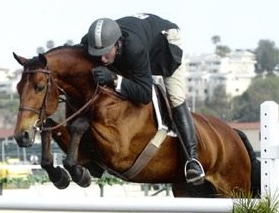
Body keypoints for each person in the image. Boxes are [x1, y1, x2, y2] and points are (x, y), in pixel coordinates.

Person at [81, 13, 205, 185]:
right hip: (141, 35)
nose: (102, 59)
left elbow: (145, 94)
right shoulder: (91, 42)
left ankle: (193, 160)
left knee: (175, 96)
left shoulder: (134, 50)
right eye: (98, 53)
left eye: (106, 53)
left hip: (165, 43)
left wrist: (115, 79)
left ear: (117, 43)